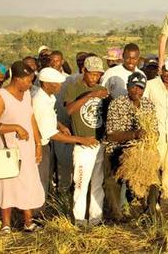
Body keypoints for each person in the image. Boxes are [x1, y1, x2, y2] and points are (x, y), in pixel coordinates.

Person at [0, 60, 45, 234]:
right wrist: (15, 128)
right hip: (6, 149)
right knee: (6, 184)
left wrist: (38, 143)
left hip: (26, 148)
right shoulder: (1, 97)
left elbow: (31, 118)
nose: (30, 83)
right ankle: (6, 224)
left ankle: (28, 222)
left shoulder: (26, 95)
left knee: (27, 182)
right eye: (28, 80)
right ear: (17, 79)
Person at [33, 66, 95, 197]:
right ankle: (36, 213)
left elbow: (49, 118)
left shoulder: (49, 97)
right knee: (39, 180)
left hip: (44, 143)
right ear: (45, 84)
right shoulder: (40, 101)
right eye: (56, 83)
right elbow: (51, 134)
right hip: (39, 145)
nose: (60, 86)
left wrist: (59, 125)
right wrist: (80, 139)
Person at [103, 77, 160, 217]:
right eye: (133, 87)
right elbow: (111, 135)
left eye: (140, 87)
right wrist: (134, 134)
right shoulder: (117, 104)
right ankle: (117, 215)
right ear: (128, 86)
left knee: (153, 177)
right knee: (112, 181)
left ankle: (150, 211)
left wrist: (149, 139)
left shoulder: (148, 105)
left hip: (141, 151)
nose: (136, 90)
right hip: (117, 149)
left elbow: (155, 130)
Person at [64, 55, 109, 227]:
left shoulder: (102, 89)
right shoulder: (73, 88)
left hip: (99, 143)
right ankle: (79, 219)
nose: (95, 78)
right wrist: (91, 95)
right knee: (81, 183)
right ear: (84, 71)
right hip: (83, 145)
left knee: (98, 183)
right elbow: (69, 110)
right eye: (92, 74)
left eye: (98, 75)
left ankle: (95, 219)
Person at [144, 56, 168, 202]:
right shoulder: (151, 85)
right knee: (155, 164)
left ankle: (167, 194)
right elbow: (144, 107)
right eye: (166, 71)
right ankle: (152, 197)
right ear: (162, 69)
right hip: (156, 132)